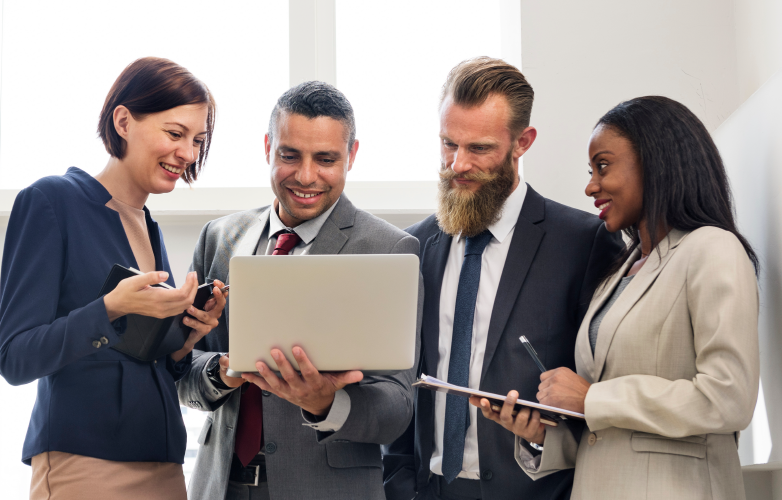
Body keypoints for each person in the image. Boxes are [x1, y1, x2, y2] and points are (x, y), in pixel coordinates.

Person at [474, 96, 760, 500]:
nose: (591, 186)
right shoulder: (621, 270)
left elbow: (728, 398)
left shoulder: (712, 250)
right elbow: (610, 431)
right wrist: (540, 435)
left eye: (603, 166)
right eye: (590, 171)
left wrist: (592, 397)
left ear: (656, 162)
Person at [382, 57, 624, 500]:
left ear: (522, 142)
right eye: (447, 143)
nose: (457, 164)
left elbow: (607, 388)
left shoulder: (586, 244)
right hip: (424, 489)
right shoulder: (412, 247)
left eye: (479, 148)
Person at [176, 81, 423, 500]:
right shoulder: (219, 237)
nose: (306, 176)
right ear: (268, 146)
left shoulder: (390, 249)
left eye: (325, 159)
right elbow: (181, 371)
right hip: (220, 487)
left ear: (352, 155)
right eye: (289, 156)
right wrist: (223, 371)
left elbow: (398, 406)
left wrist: (327, 402)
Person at [0, 57, 224, 500]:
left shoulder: (146, 224)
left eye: (197, 140)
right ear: (123, 120)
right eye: (175, 134)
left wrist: (184, 339)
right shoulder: (52, 201)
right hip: (87, 464)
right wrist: (111, 307)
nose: (189, 154)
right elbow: (15, 357)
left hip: (162, 461)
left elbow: (142, 360)